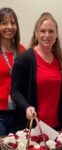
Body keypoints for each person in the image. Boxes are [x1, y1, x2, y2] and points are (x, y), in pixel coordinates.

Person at [11, 12, 62, 131]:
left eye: (51, 31)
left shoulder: (59, 60)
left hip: (55, 128)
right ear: (36, 33)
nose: (47, 35)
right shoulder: (25, 59)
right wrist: (26, 107)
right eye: (43, 31)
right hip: (32, 127)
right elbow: (15, 91)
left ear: (56, 34)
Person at [0, 7, 25, 136]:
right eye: (4, 23)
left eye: (13, 23)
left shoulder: (22, 51)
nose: (9, 27)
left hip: (19, 113)